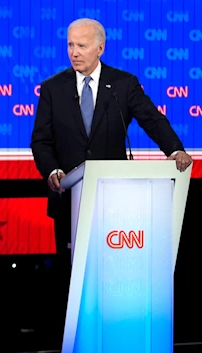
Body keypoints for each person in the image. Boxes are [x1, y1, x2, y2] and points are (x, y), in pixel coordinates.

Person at [30, 17, 192, 343]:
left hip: (116, 203)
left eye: (81, 45)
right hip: (69, 199)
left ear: (100, 47)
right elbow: (41, 142)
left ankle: (118, 333)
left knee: (112, 274)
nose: (74, 52)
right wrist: (53, 172)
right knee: (71, 274)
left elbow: (152, 120)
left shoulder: (123, 85)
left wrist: (174, 150)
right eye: (70, 45)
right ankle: (75, 340)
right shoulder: (53, 88)